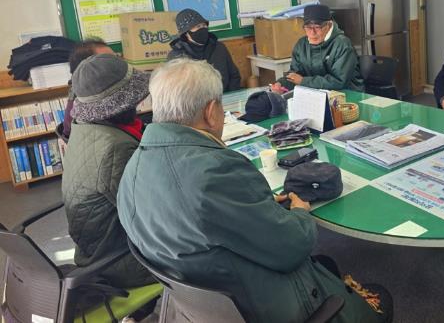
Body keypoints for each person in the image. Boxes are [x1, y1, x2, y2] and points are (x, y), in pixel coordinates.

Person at [117, 58, 389, 323]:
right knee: (381, 299)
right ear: (211, 112)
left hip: (202, 306)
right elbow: (293, 246)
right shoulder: (217, 172)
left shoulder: (132, 169)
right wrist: (299, 212)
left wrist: (255, 205)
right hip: (261, 304)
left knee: (327, 264)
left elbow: (197, 218)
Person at [62, 54, 153, 288]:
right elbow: (151, 215)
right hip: (120, 260)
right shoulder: (115, 148)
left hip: (94, 249)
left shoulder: (84, 128)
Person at [270, 4, 364, 93]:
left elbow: (339, 81)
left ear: (328, 25)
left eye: (317, 27)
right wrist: (281, 84)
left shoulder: (342, 44)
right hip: (316, 95)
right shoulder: (302, 45)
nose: (312, 32)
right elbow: (295, 74)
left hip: (347, 94)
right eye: (308, 27)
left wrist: (303, 81)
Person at [168, 8, 241, 91]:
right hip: (195, 99)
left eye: (204, 25)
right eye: (198, 26)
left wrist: (231, 96)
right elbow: (178, 89)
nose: (203, 29)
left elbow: (234, 76)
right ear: (186, 34)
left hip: (224, 95)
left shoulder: (219, 47)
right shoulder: (176, 57)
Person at [58, 38, 114, 143]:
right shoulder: (87, 105)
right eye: (109, 62)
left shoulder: (87, 90)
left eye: (116, 59)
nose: (118, 65)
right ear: (86, 69)